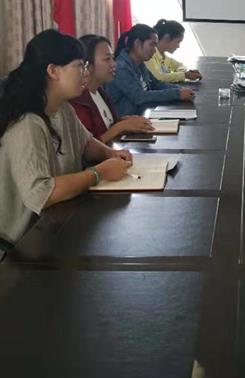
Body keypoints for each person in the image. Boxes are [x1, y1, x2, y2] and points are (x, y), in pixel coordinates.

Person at [0, 29, 133, 250]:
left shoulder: (62, 108)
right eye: (79, 66)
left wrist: (110, 154)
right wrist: (98, 173)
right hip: (22, 243)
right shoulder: (28, 123)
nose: (85, 73)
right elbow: (41, 193)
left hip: (56, 223)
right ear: (53, 71)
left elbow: (86, 143)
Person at [70, 35, 155, 143]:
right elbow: (87, 146)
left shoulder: (100, 91)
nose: (113, 64)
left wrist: (127, 120)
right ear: (88, 64)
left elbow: (109, 124)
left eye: (112, 58)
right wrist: (121, 126)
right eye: (107, 59)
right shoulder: (79, 99)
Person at [106, 24, 195, 116]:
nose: (154, 50)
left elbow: (156, 83)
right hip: (128, 118)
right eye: (152, 45)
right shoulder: (121, 67)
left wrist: (180, 89)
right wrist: (177, 94)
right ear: (137, 43)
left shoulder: (139, 63)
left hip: (143, 111)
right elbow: (139, 97)